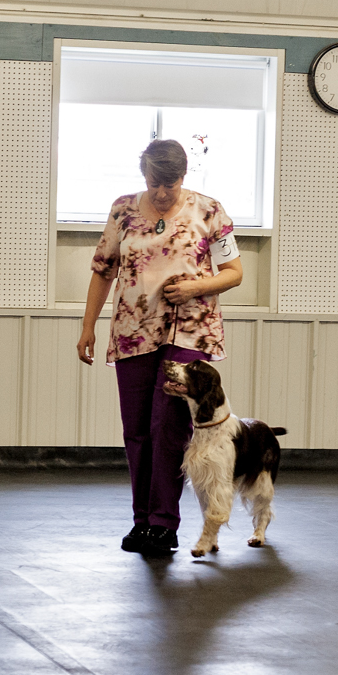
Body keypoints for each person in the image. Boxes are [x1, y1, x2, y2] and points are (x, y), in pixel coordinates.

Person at [76, 139, 244, 557]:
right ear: (144, 176)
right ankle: (142, 522)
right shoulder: (123, 210)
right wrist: (87, 328)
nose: (163, 193)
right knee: (136, 431)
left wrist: (196, 286)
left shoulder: (209, 210)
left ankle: (165, 524)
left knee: (168, 429)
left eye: (171, 184)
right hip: (133, 333)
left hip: (188, 331)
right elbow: (103, 272)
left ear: (184, 176)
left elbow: (234, 272)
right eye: (155, 183)